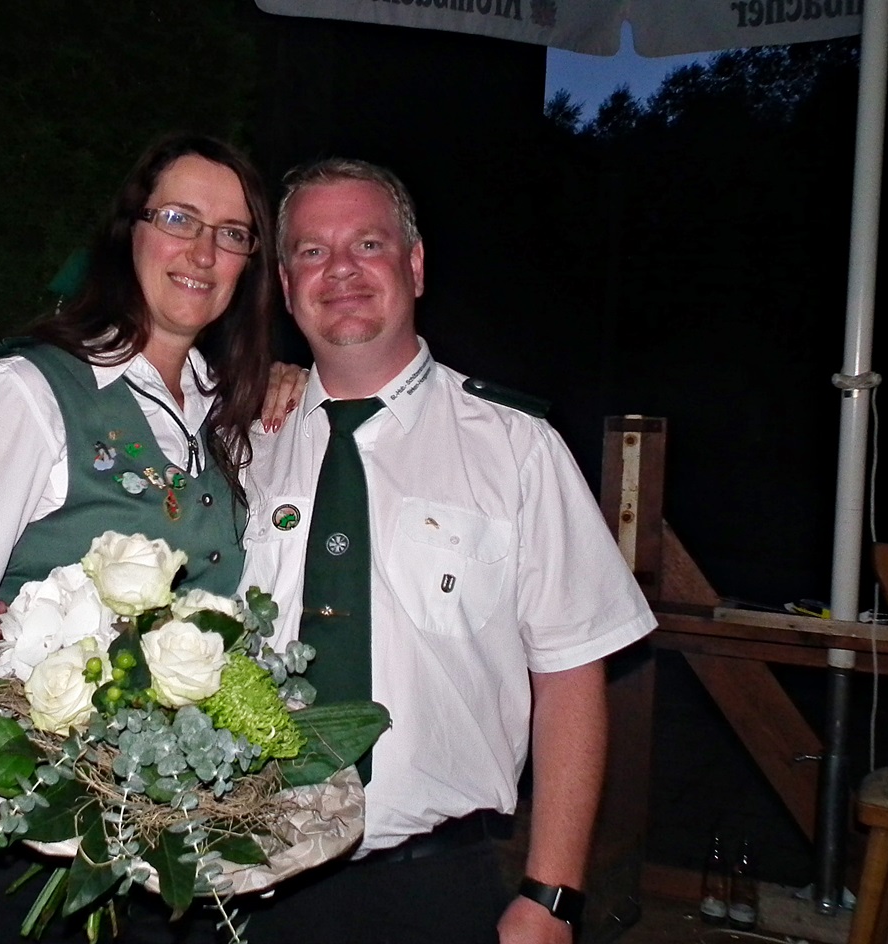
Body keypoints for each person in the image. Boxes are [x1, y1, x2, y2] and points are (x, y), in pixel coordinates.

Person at [0, 133, 285, 944]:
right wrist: (53, 792)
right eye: (178, 217)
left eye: (232, 233)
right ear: (128, 230)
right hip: (6, 861)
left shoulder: (231, 418)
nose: (202, 250)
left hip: (158, 862)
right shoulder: (24, 394)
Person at [236, 158, 656, 944]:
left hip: (436, 887)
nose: (342, 272)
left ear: (415, 265)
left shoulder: (515, 447)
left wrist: (553, 895)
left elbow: (570, 676)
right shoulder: (240, 446)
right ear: (287, 287)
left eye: (367, 244)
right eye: (312, 252)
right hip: (244, 873)